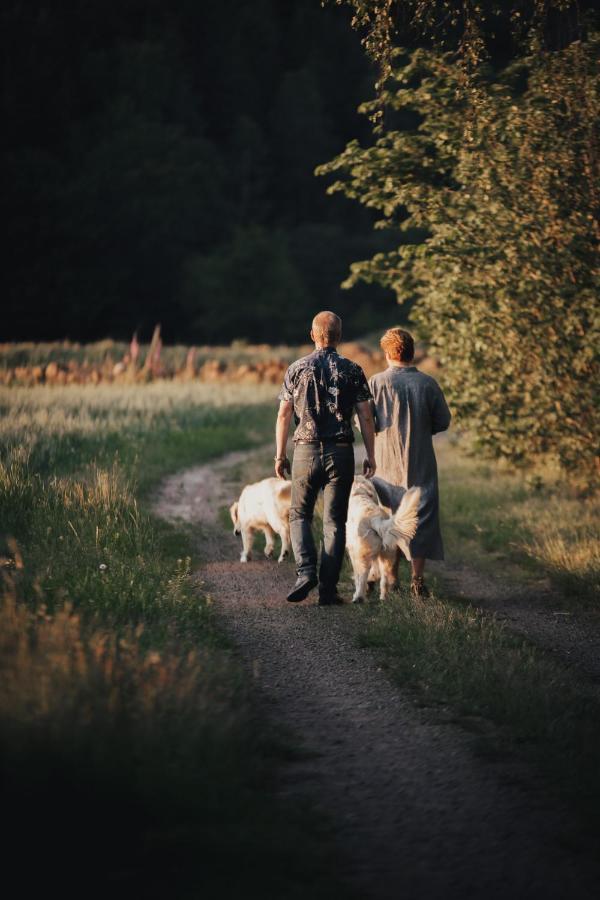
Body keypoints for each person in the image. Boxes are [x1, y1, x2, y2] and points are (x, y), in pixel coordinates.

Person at [275, 311, 376, 606]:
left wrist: (280, 455)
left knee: (299, 514)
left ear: (312, 335)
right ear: (339, 336)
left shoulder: (296, 369)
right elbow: (365, 415)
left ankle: (305, 572)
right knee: (334, 521)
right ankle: (328, 591)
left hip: (306, 450)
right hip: (341, 452)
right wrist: (371, 454)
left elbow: (283, 414)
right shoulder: (353, 369)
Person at [369, 327, 451, 598]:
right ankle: (417, 578)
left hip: (384, 464)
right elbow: (443, 421)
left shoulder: (376, 383)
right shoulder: (428, 383)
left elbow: (365, 422)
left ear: (386, 353)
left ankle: (389, 577)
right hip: (421, 461)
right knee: (421, 518)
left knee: (387, 516)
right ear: (412, 351)